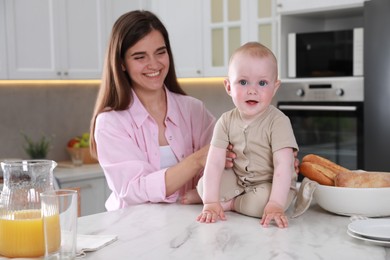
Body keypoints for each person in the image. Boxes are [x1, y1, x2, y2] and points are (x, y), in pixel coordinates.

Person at [89, 10, 238, 210]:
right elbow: (133, 190)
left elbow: (227, 160)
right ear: (122, 63)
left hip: (190, 225)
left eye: (160, 52)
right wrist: (197, 160)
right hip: (133, 232)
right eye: (140, 57)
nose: (154, 64)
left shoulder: (193, 110)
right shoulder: (110, 122)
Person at [196, 42, 298, 228]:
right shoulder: (225, 121)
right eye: (243, 82)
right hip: (239, 179)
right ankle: (221, 202)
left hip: (270, 183)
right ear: (228, 86)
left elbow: (283, 165)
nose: (252, 90)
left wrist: (275, 204)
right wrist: (210, 202)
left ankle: (232, 204)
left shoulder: (278, 121)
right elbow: (215, 162)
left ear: (275, 88)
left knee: (263, 202)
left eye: (262, 83)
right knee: (204, 186)